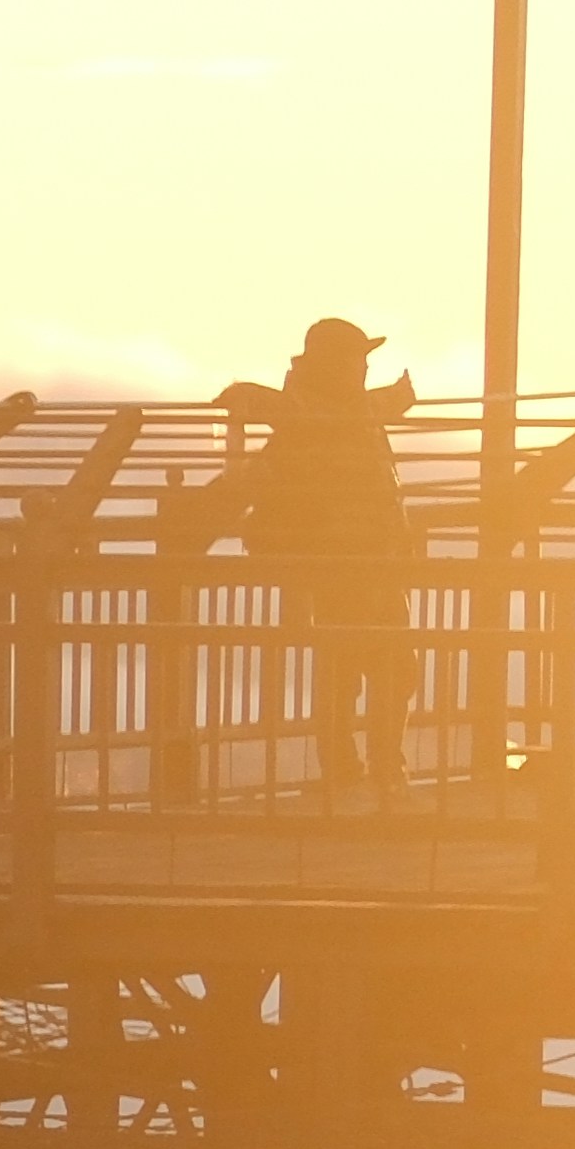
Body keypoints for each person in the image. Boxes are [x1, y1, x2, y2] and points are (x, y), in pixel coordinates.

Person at [182, 316, 418, 794]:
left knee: (368, 669)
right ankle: (368, 771)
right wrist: (398, 397)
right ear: (336, 365)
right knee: (365, 669)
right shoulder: (317, 414)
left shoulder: (321, 409)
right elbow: (342, 419)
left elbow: (351, 411)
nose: (364, 368)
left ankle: (358, 770)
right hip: (346, 561)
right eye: (358, 359)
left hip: (371, 560)